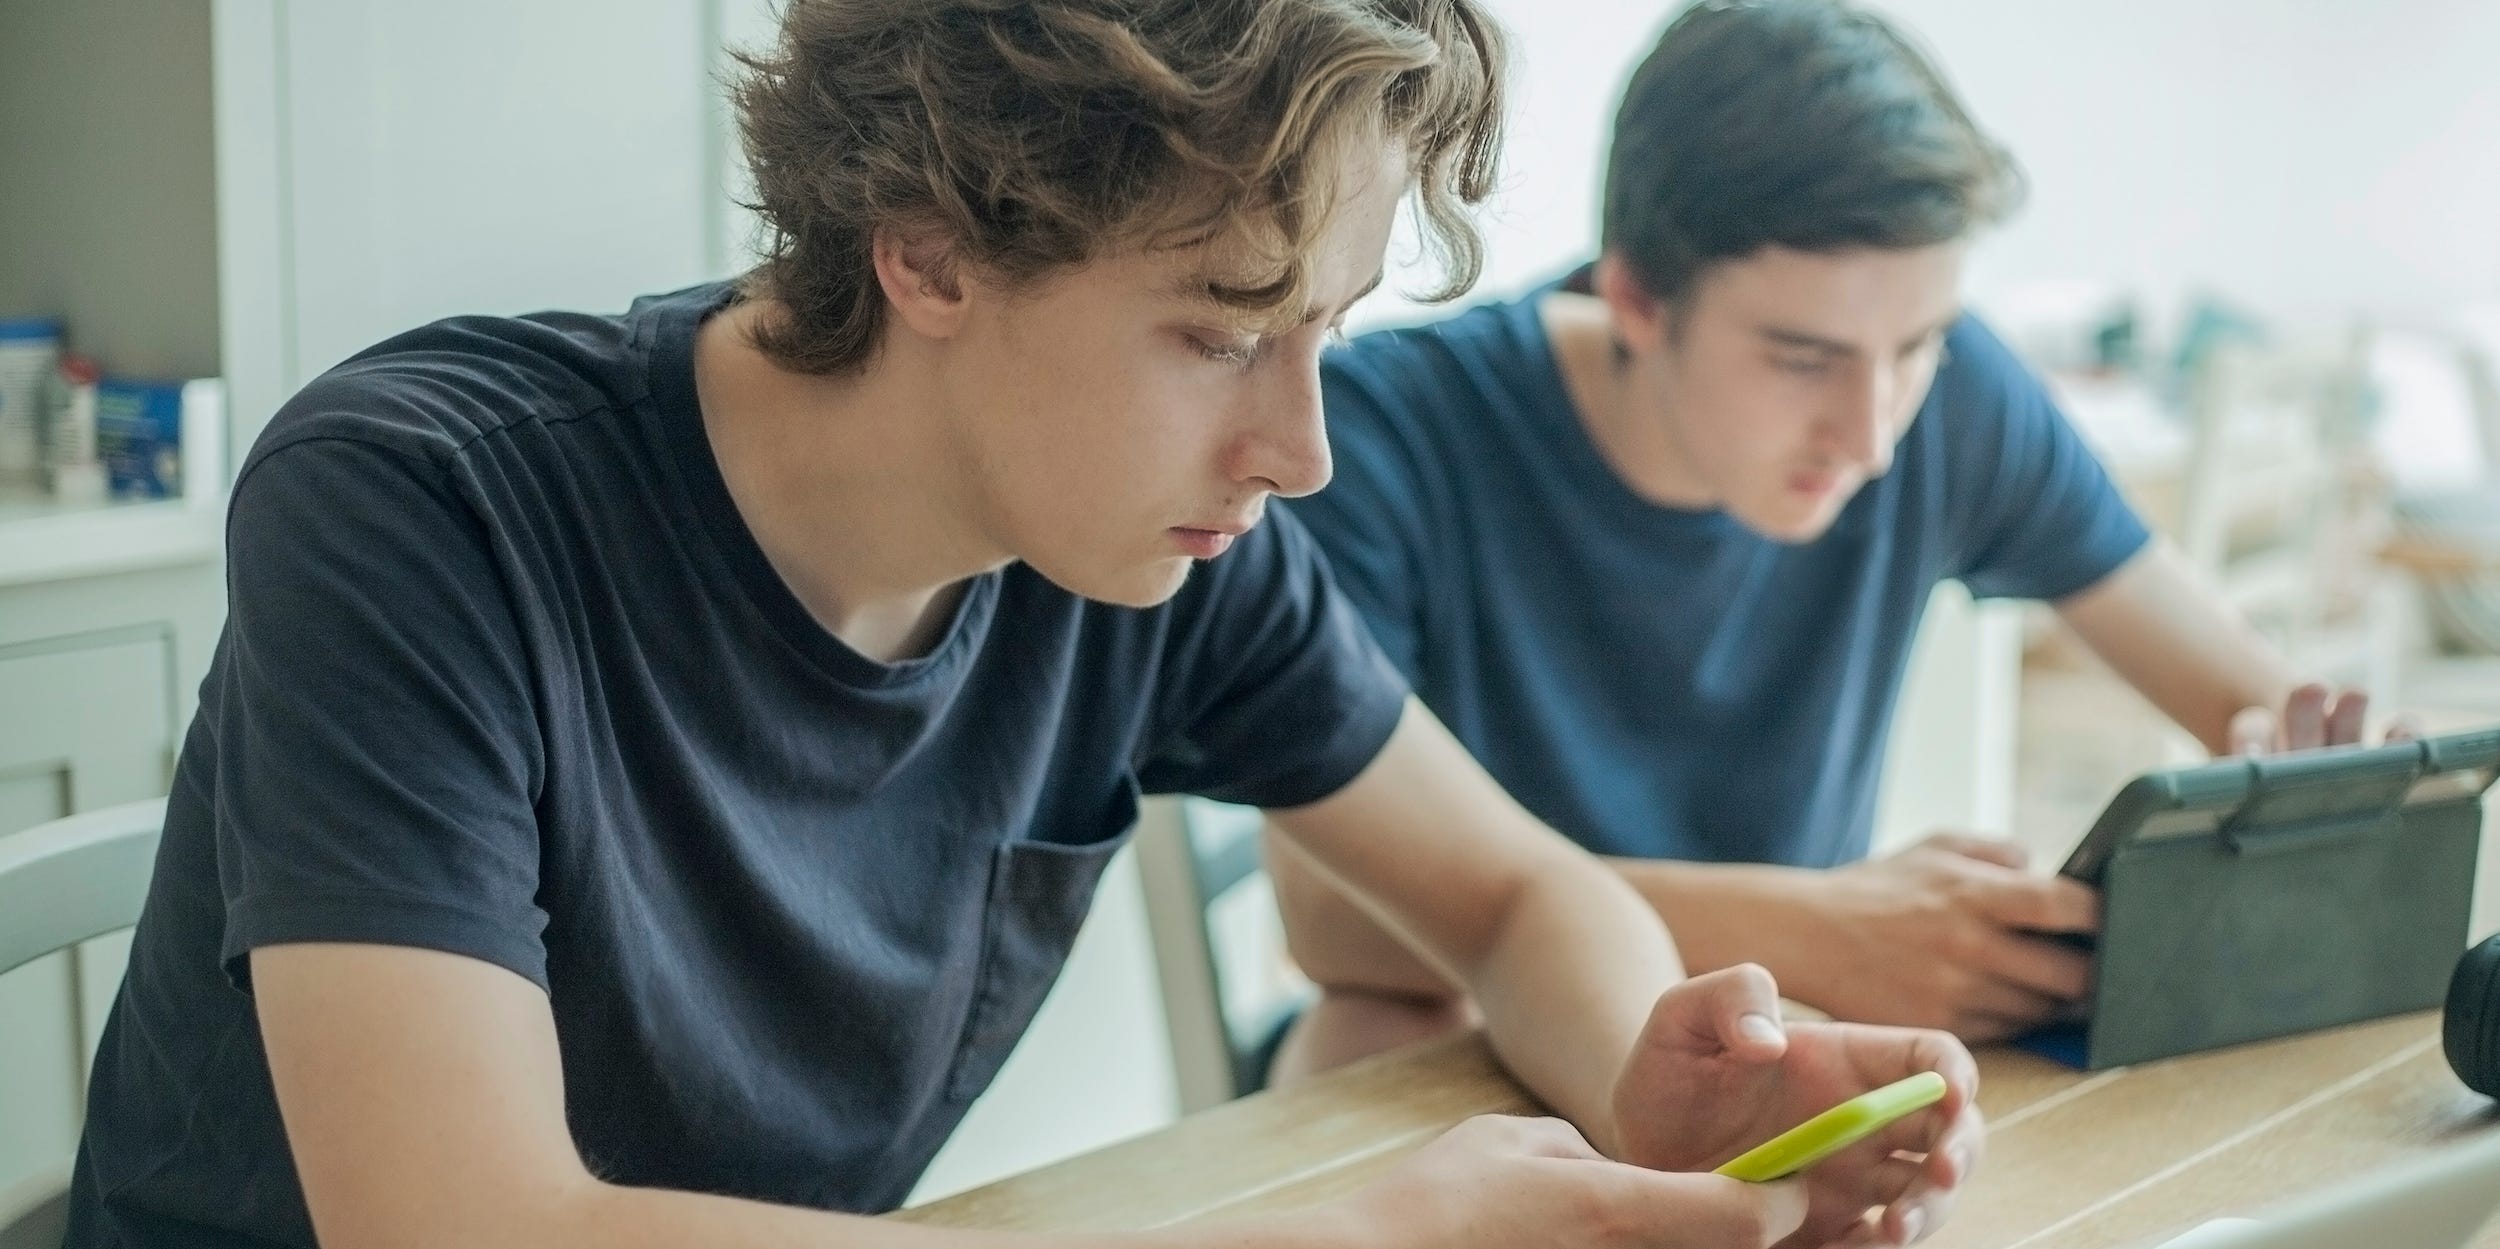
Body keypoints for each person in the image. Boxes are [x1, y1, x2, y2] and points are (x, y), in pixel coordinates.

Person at [65, 3, 1981, 1248]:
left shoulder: (1153, 543)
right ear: (929, 251)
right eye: (1223, 330)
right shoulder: (426, 500)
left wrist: (1653, 1068)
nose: (1298, 443)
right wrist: (1362, 1231)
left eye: (1323, 331)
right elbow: (465, 1220)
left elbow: (1510, 894)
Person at [1268, 0, 2394, 1076]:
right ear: (1638, 300)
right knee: (1380, 1022)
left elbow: (2250, 700)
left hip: (1768, 1033)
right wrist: (1819, 928)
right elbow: (1336, 924)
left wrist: (2313, 783)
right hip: (1462, 1037)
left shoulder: (1951, 399)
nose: (1870, 436)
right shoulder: (1377, 434)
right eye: (1803, 359)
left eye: (1915, 346)